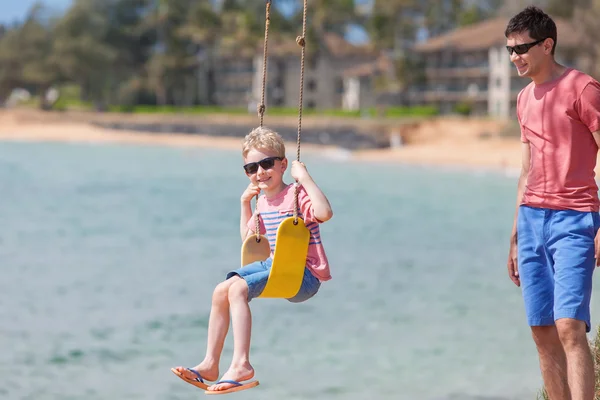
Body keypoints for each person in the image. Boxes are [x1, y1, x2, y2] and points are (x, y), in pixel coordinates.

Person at [171, 126, 333, 394]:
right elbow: (249, 239)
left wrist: (304, 177)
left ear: (283, 165)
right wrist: (245, 204)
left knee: (238, 288)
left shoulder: (296, 194)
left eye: (267, 164)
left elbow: (324, 213)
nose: (260, 172)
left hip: (303, 275)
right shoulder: (262, 202)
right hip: (276, 268)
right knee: (221, 290)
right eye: (251, 168)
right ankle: (211, 364)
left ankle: (241, 364)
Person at [505, 6, 600, 399]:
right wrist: (513, 235)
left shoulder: (583, 88)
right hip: (531, 220)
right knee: (542, 331)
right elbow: (526, 169)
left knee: (569, 327)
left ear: (548, 44)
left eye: (523, 48)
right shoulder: (524, 98)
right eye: (510, 50)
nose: (515, 57)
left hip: (575, 217)